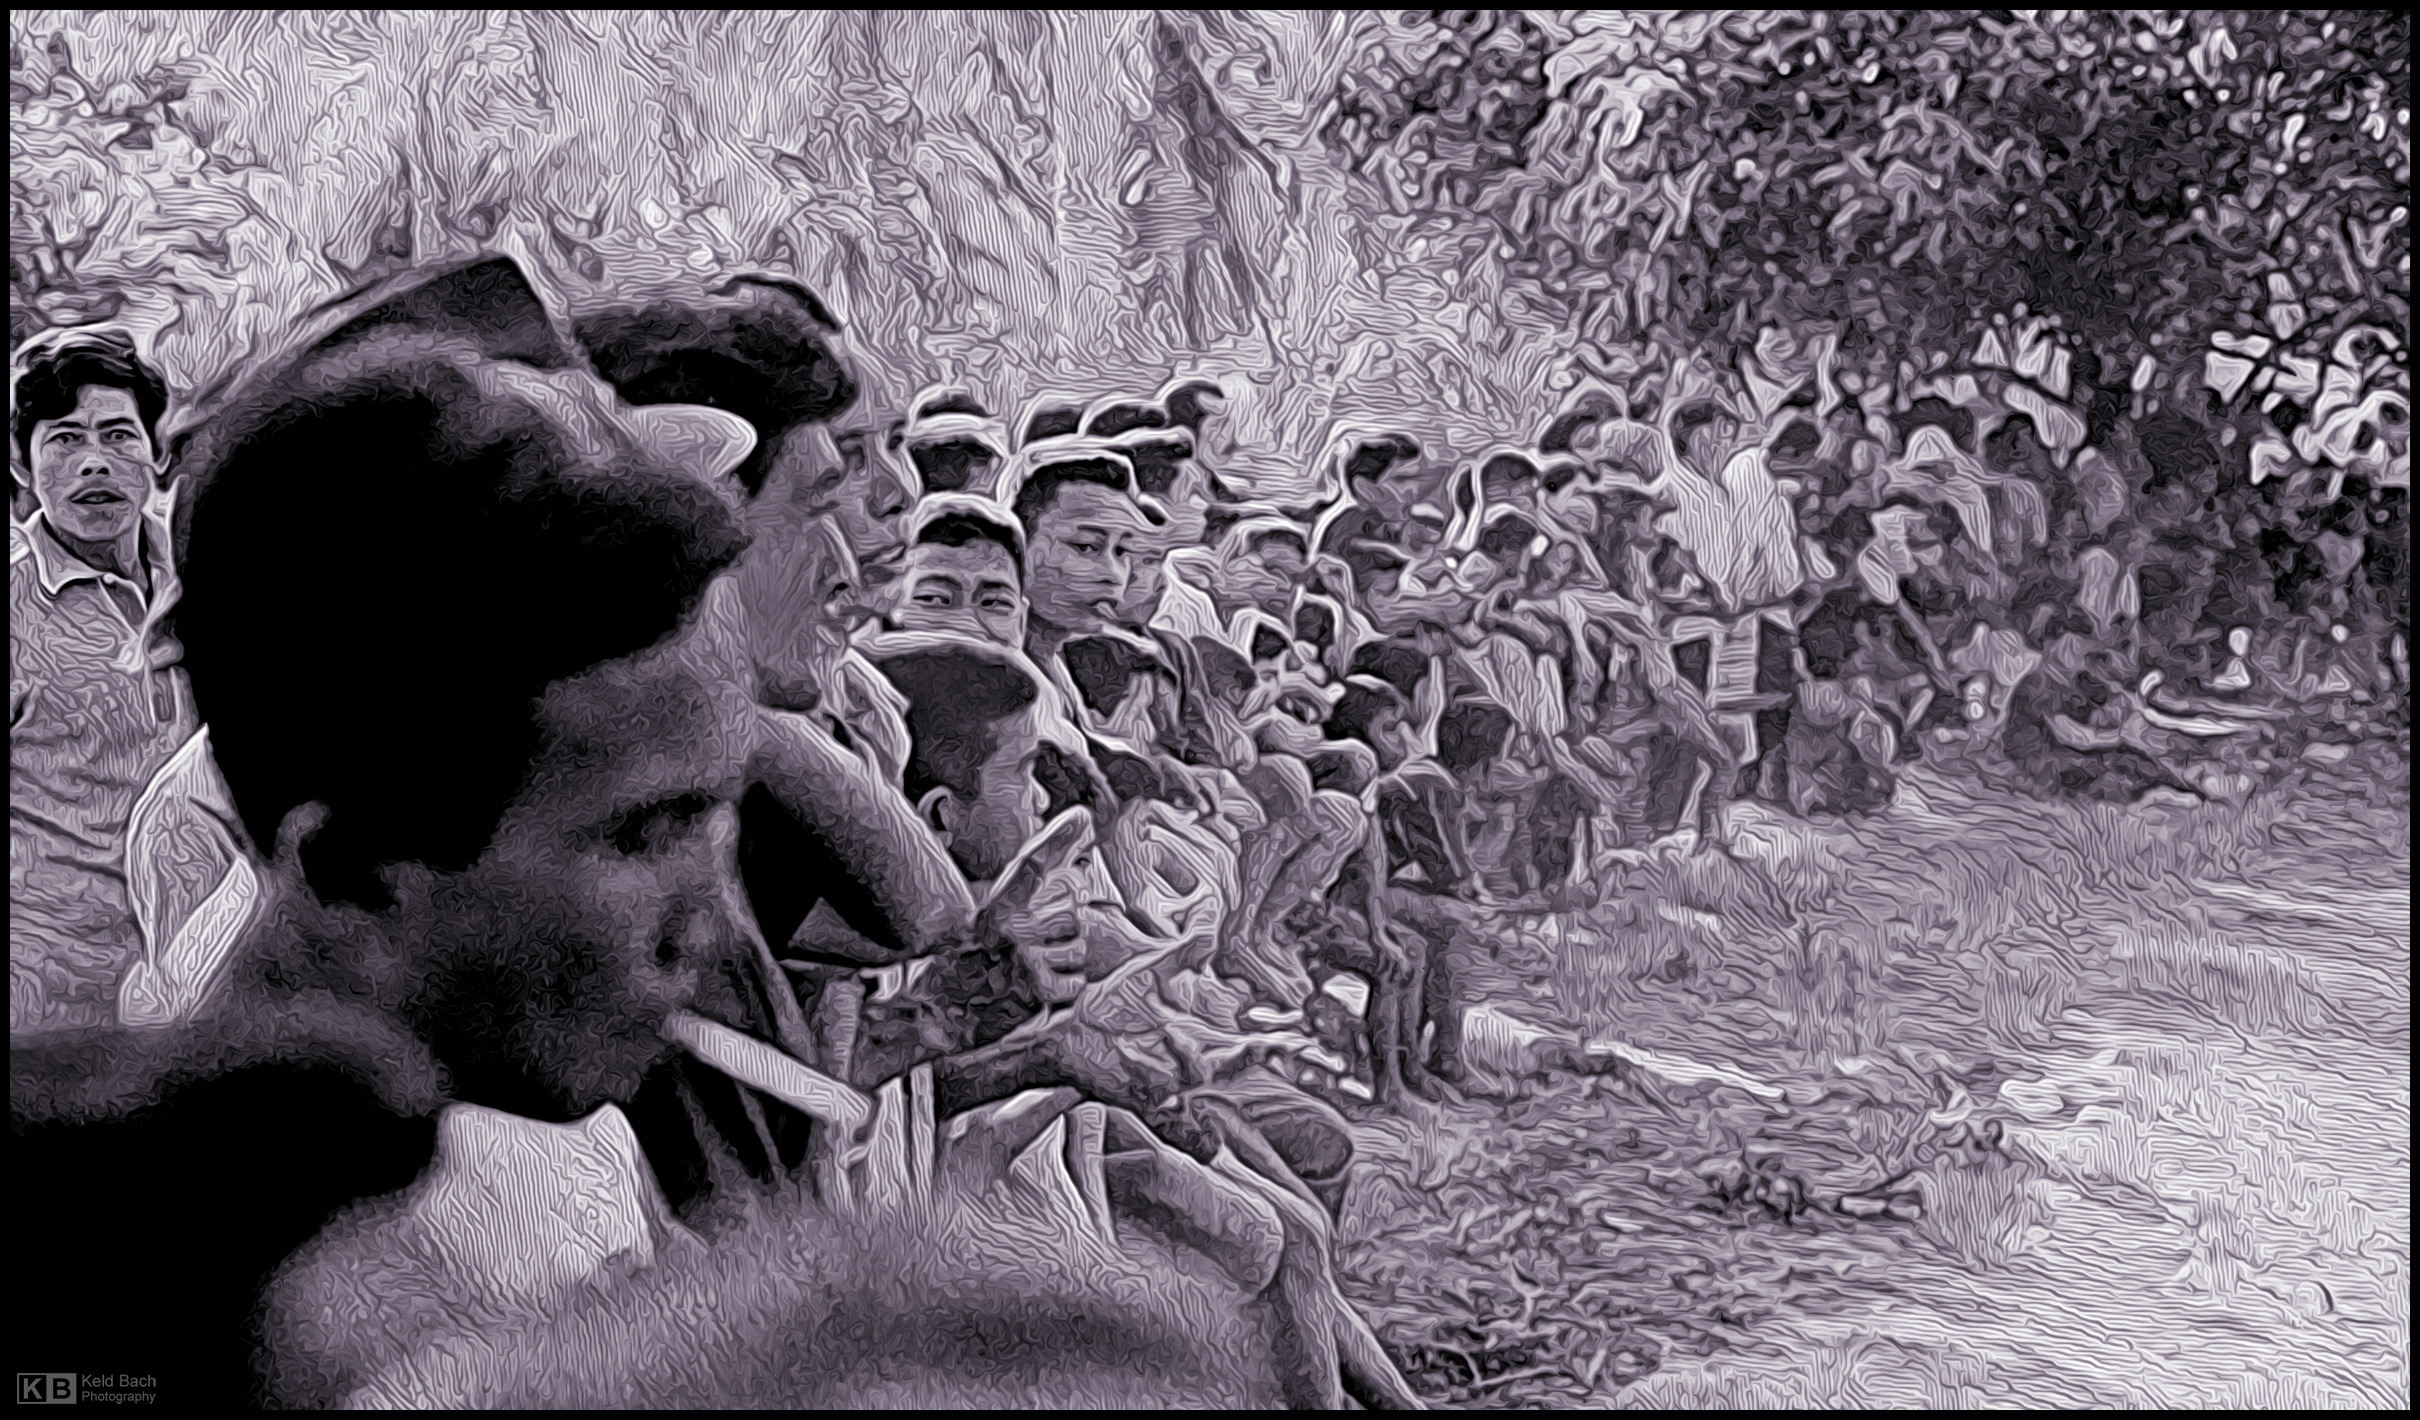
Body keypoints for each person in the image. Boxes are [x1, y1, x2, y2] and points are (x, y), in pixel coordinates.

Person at [13, 263, 1407, 1410]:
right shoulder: (179, 1243)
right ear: (348, 869)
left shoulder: (495, 1095)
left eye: (719, 813)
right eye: (642, 835)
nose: (704, 911)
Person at [9, 330, 241, 1037]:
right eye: (64, 440)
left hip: (208, 976)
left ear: (157, 452)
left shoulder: (219, 569)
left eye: (118, 434)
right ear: (21, 466)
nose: (94, 463)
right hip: (50, 996)